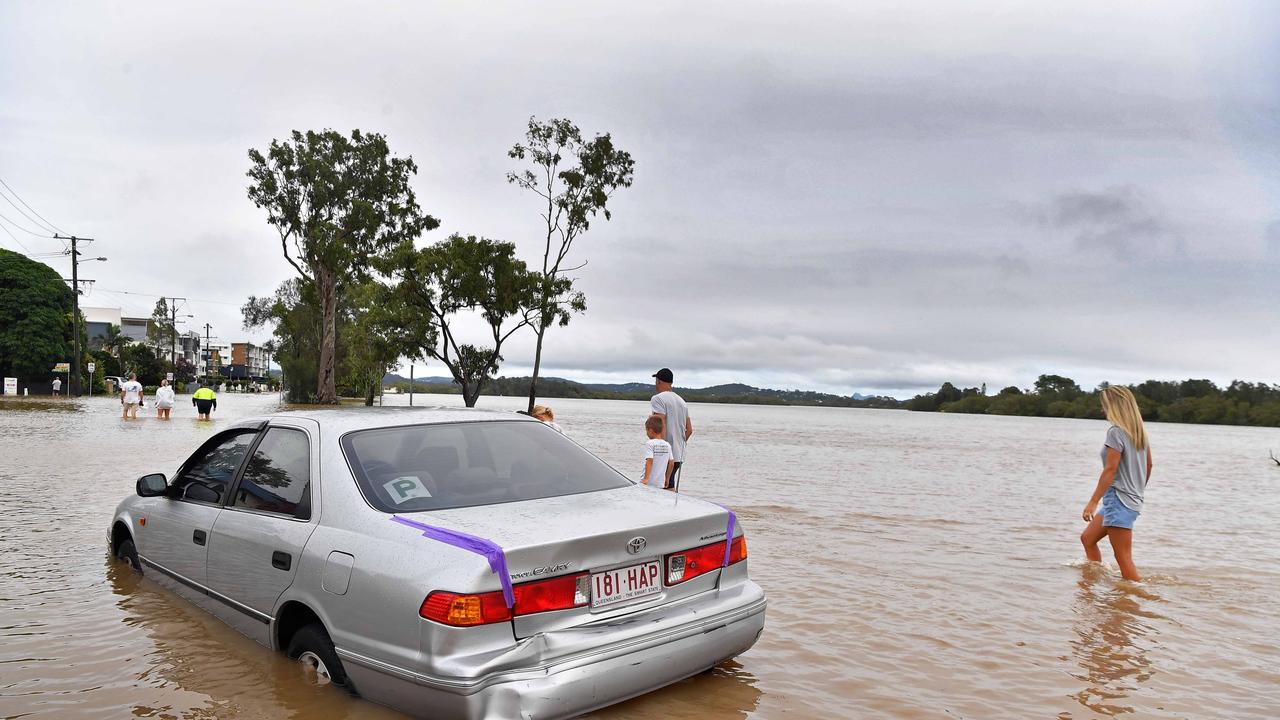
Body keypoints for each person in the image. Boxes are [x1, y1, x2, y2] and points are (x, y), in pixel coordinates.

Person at [1080, 386, 1154, 582]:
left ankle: (1135, 599)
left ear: (1114, 407)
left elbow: (1110, 470)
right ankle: (1093, 581)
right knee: (1087, 539)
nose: (1102, 410)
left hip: (1118, 499)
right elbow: (1149, 465)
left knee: (1123, 557)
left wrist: (1093, 501)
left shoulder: (1115, 432)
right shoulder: (1138, 433)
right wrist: (1135, 490)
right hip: (1128, 499)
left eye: (1104, 406)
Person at [650, 368, 693, 491]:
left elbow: (660, 423)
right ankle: (674, 508)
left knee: (658, 488)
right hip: (679, 455)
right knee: (669, 486)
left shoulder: (657, 399)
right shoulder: (682, 402)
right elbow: (689, 430)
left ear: (658, 381)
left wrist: (662, 450)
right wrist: (678, 445)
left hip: (665, 454)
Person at [641, 415, 675, 489]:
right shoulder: (667, 445)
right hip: (660, 483)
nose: (646, 433)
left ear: (650, 430)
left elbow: (649, 461)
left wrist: (646, 479)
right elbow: (671, 463)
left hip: (649, 482)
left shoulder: (650, 443)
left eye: (646, 430)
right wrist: (667, 478)